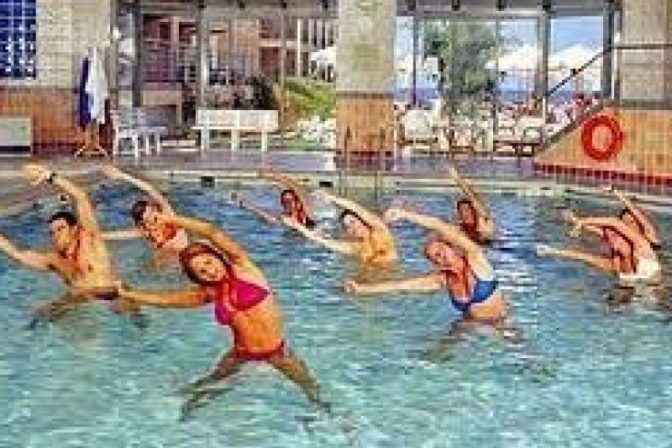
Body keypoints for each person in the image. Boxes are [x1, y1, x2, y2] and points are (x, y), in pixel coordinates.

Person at [117, 214, 325, 417]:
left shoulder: (244, 268)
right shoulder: (211, 292)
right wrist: (129, 295)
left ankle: (323, 415)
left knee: (308, 387)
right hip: (241, 352)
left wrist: (171, 219)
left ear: (217, 257)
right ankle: (185, 408)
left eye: (208, 263)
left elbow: (212, 232)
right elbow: (169, 301)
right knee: (212, 383)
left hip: (276, 352)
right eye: (202, 272)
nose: (210, 272)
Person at [0, 164, 141, 325]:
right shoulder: (55, 260)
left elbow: (81, 197)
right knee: (39, 318)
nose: (56, 235)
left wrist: (50, 176)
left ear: (74, 229)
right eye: (52, 232)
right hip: (80, 297)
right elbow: (17, 254)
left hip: (111, 293)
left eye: (60, 229)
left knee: (136, 323)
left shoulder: (90, 241)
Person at [344, 205, 507, 324]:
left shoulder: (476, 259)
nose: (439, 258)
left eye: (439, 251)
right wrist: (363, 289)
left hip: (498, 327)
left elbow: (439, 226)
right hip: (466, 327)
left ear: (453, 247)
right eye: (433, 258)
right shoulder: (443, 279)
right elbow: (402, 285)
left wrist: (405, 214)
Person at [537, 212, 662, 288]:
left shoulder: (642, 247)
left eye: (631, 222)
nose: (613, 240)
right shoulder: (615, 263)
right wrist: (552, 251)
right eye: (611, 237)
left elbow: (613, 222)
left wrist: (582, 222)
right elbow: (586, 258)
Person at [282, 190, 397, 267]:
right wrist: (297, 226)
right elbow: (322, 241)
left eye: (353, 222)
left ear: (362, 220)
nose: (352, 228)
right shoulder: (355, 248)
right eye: (347, 227)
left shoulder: (380, 231)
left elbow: (357, 209)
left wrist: (331, 198)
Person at [100, 165, 189, 263]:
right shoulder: (147, 232)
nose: (154, 219)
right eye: (149, 220)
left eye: (153, 214)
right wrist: (96, 235)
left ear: (155, 209)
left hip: (188, 257)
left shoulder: (168, 215)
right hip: (169, 264)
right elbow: (121, 235)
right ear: (143, 223)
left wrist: (123, 176)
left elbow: (150, 190)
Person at [230, 171, 316, 228]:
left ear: (298, 203)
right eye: (285, 202)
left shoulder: (307, 214)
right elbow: (261, 213)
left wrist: (275, 176)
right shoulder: (284, 220)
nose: (288, 204)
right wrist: (242, 202)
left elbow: (297, 189)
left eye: (290, 201)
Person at [449, 167, 495, 244]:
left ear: (474, 210)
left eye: (467, 210)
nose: (464, 213)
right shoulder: (460, 228)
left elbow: (473, 198)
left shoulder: (484, 224)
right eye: (461, 211)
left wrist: (458, 180)